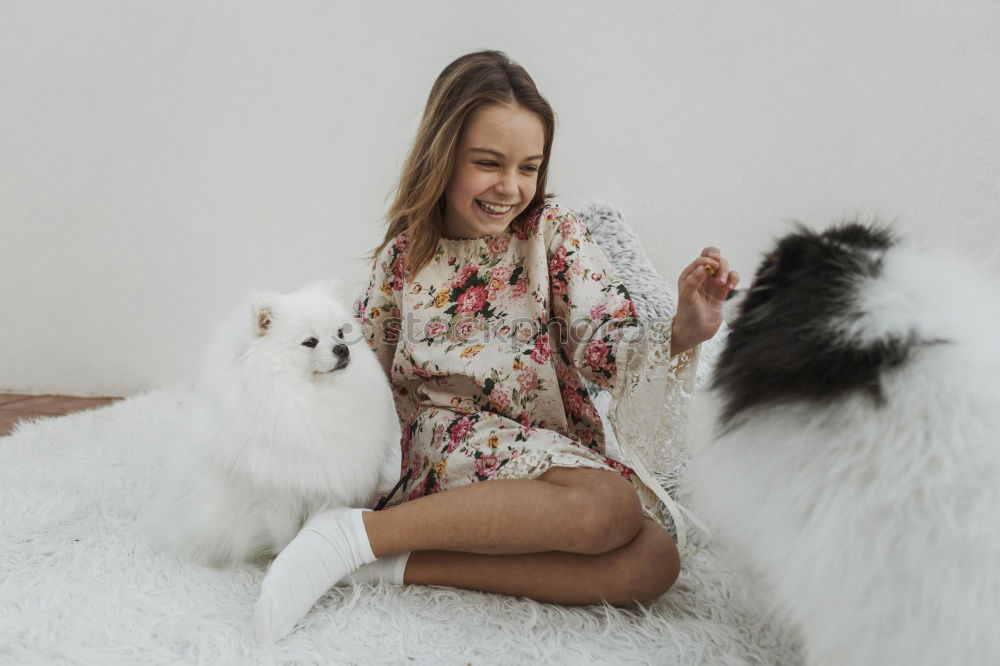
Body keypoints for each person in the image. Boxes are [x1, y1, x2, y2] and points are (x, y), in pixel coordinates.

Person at [253, 50, 739, 642]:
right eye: (488, 163)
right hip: (448, 449)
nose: (511, 187)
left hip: (551, 452)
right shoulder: (404, 261)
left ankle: (381, 559)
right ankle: (353, 532)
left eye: (529, 168)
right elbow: (359, 381)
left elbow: (604, 342)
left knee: (654, 560)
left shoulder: (553, 232)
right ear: (443, 157)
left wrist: (684, 331)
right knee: (609, 507)